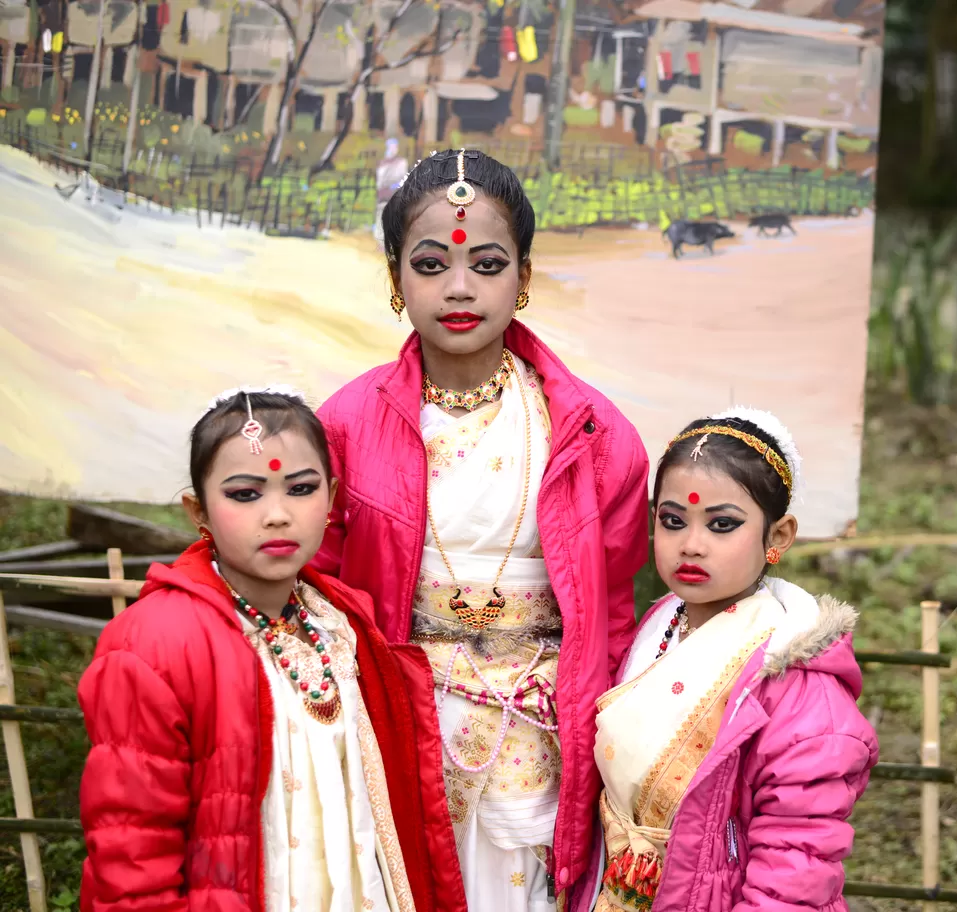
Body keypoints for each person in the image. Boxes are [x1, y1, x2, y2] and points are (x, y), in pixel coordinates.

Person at [313, 147, 649, 911]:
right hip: (398, 724)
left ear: (524, 278)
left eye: (488, 264)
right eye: (430, 265)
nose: (459, 288)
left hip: (541, 731)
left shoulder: (594, 435)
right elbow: (321, 593)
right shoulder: (343, 426)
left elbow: (615, 614)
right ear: (394, 278)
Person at [78, 387, 463, 912]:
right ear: (199, 511)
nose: (278, 515)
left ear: (331, 497)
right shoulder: (153, 644)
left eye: (301, 488)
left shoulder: (343, 622)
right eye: (244, 494)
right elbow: (132, 852)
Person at [586, 408, 878, 912]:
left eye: (722, 525)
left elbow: (795, 864)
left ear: (779, 537)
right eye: (672, 521)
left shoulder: (797, 681)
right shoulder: (658, 626)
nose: (691, 545)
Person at [375, 138, 409, 245]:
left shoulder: (401, 162)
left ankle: (393, 242)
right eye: (390, 146)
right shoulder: (382, 163)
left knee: (394, 220)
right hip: (383, 196)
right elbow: (379, 180)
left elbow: (402, 178)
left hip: (395, 196)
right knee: (381, 217)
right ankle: (381, 242)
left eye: (394, 146)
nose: (392, 149)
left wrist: (395, 187)